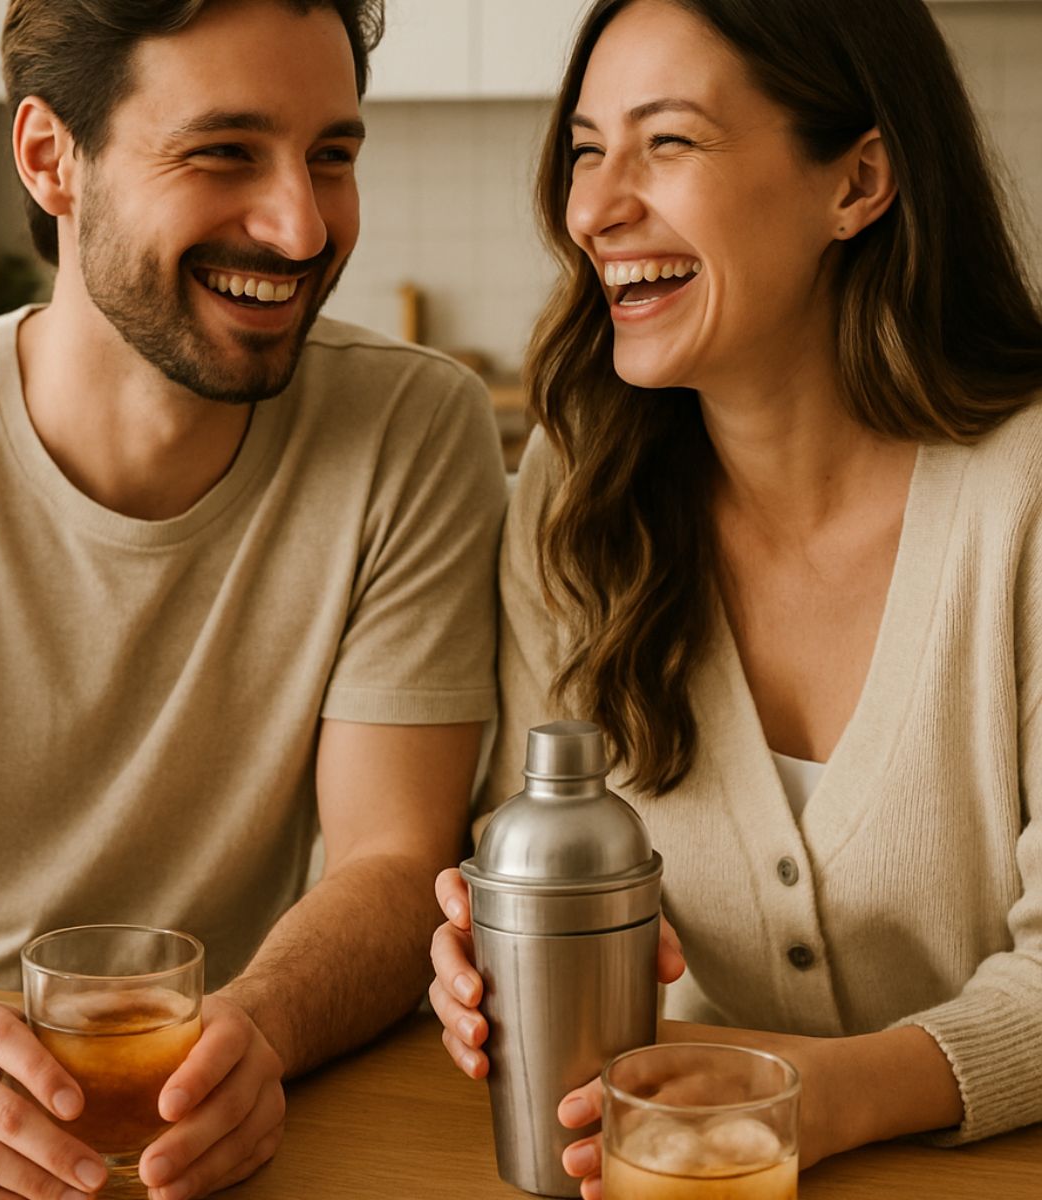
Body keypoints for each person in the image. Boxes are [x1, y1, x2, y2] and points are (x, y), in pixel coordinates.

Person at [0, 1, 506, 1198]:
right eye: (224, 152)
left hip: (234, 1122)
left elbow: (400, 857)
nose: (302, 224)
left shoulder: (415, 431)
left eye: (333, 157)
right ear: (52, 158)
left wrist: (258, 1030)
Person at [429, 0, 1042, 1193]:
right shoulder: (573, 498)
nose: (596, 209)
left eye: (669, 143)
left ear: (857, 181)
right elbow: (531, 858)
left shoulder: (1024, 499)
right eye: (586, 149)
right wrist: (485, 956)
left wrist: (832, 1092)